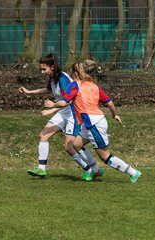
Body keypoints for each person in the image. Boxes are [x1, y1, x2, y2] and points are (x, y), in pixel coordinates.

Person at [44, 62, 142, 182]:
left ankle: (133, 172)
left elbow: (64, 102)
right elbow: (110, 103)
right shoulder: (93, 85)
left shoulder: (75, 85)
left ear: (75, 73)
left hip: (93, 124)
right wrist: (114, 115)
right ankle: (95, 170)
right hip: (92, 122)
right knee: (76, 144)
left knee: (105, 156)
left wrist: (52, 104)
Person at [19, 53, 102, 181]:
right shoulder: (53, 78)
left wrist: (51, 110)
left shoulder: (63, 79)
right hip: (63, 111)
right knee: (43, 135)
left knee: (69, 147)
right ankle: (41, 169)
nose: (42, 72)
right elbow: (47, 90)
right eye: (41, 69)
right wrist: (29, 92)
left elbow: (67, 101)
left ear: (52, 67)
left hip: (72, 113)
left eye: (44, 69)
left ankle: (92, 170)